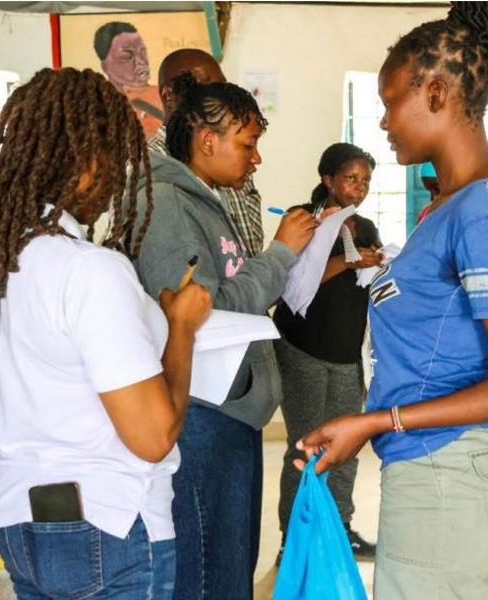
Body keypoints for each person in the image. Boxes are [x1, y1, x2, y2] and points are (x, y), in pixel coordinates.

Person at [296, 3, 488, 598]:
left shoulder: (485, 213)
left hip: (456, 472)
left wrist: (375, 421)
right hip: (447, 463)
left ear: (436, 93)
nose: (384, 123)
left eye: (391, 103)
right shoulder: (455, 204)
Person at [0, 68, 211, 598]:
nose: (116, 179)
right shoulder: (89, 269)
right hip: (107, 523)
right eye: (114, 157)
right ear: (87, 159)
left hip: (17, 521)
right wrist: (180, 330)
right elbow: (153, 438)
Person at [131, 75, 316, 600]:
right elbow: (199, 314)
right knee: (210, 572)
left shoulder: (202, 199)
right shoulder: (168, 202)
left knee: (229, 567)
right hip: (200, 414)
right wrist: (280, 255)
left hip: (227, 412)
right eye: (248, 144)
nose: (255, 159)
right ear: (207, 141)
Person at [273, 143, 382, 563]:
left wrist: (377, 261)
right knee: (304, 447)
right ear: (328, 180)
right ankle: (292, 538)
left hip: (346, 354)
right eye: (351, 179)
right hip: (302, 348)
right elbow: (293, 278)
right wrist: (350, 264)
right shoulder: (302, 220)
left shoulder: (364, 225)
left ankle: (340, 527)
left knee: (346, 447)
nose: (359, 188)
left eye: (366, 181)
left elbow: (363, 280)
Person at [150, 48, 266, 257]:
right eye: (205, 88)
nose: (218, 97)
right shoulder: (150, 167)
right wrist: (282, 252)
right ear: (169, 95)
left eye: (221, 87)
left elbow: (246, 255)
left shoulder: (233, 157)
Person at [94, 21, 163, 138]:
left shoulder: (164, 95)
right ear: (105, 67)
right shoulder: (97, 106)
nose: (140, 61)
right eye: (126, 56)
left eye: (143, 53)